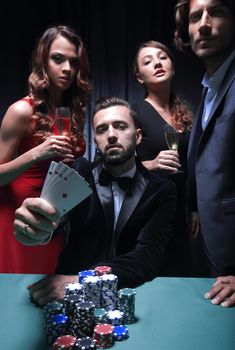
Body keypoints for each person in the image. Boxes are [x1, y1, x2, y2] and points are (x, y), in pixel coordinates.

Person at [14, 96, 177, 306]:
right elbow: (56, 218)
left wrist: (85, 280)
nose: (111, 135)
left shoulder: (162, 190)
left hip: (131, 293)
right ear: (95, 141)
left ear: (137, 136)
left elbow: (148, 257)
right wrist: (38, 229)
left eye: (120, 126)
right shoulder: (78, 172)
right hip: (67, 297)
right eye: (101, 129)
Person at [0, 25, 91, 273]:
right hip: (19, 215)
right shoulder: (21, 111)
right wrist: (37, 153)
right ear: (43, 61)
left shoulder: (72, 112)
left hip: (56, 216)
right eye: (58, 59)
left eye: (73, 62)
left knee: (51, 292)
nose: (67, 69)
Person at [174, 0, 235, 306]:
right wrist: (195, 205)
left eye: (217, 12)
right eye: (195, 17)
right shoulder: (209, 86)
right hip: (214, 248)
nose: (204, 24)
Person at [132, 40, 198, 276]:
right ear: (140, 77)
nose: (157, 63)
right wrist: (152, 164)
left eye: (163, 57)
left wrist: (194, 208)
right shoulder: (134, 113)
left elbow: (193, 167)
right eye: (147, 61)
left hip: (183, 210)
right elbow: (113, 167)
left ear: (172, 66)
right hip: (151, 213)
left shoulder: (186, 113)